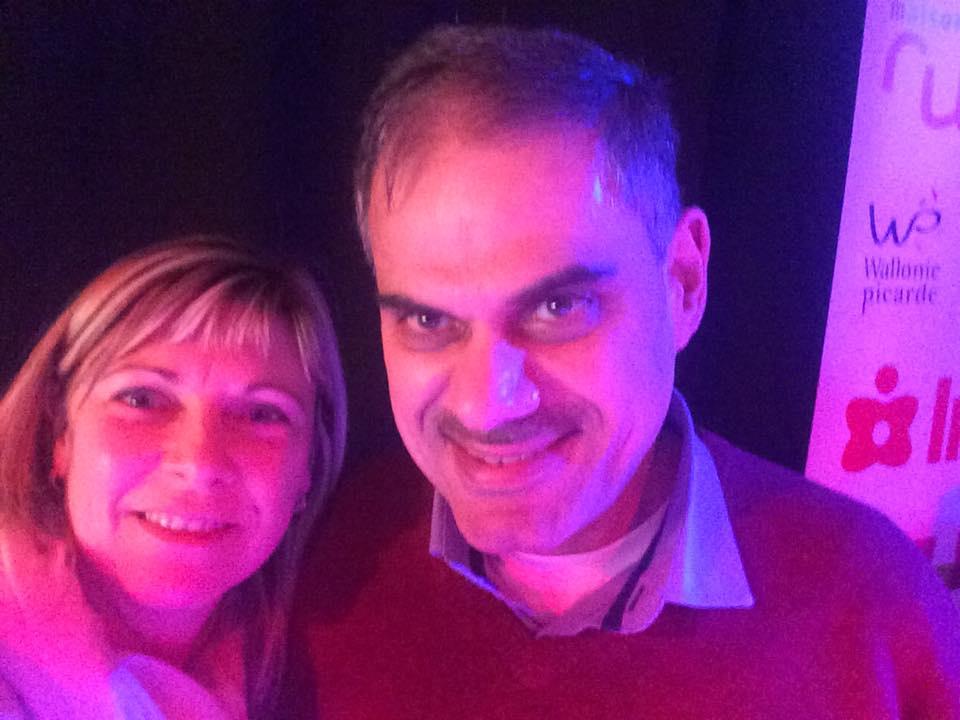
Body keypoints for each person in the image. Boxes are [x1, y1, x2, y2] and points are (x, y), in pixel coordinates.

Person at [285, 24, 960, 719]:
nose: (488, 404)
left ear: (683, 283)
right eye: (428, 321)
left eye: (557, 307)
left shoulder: (872, 611)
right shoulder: (326, 561)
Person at [0, 235, 347, 719]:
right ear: (60, 435)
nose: (200, 463)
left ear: (307, 465)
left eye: (262, 414)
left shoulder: (283, 675)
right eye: (142, 399)